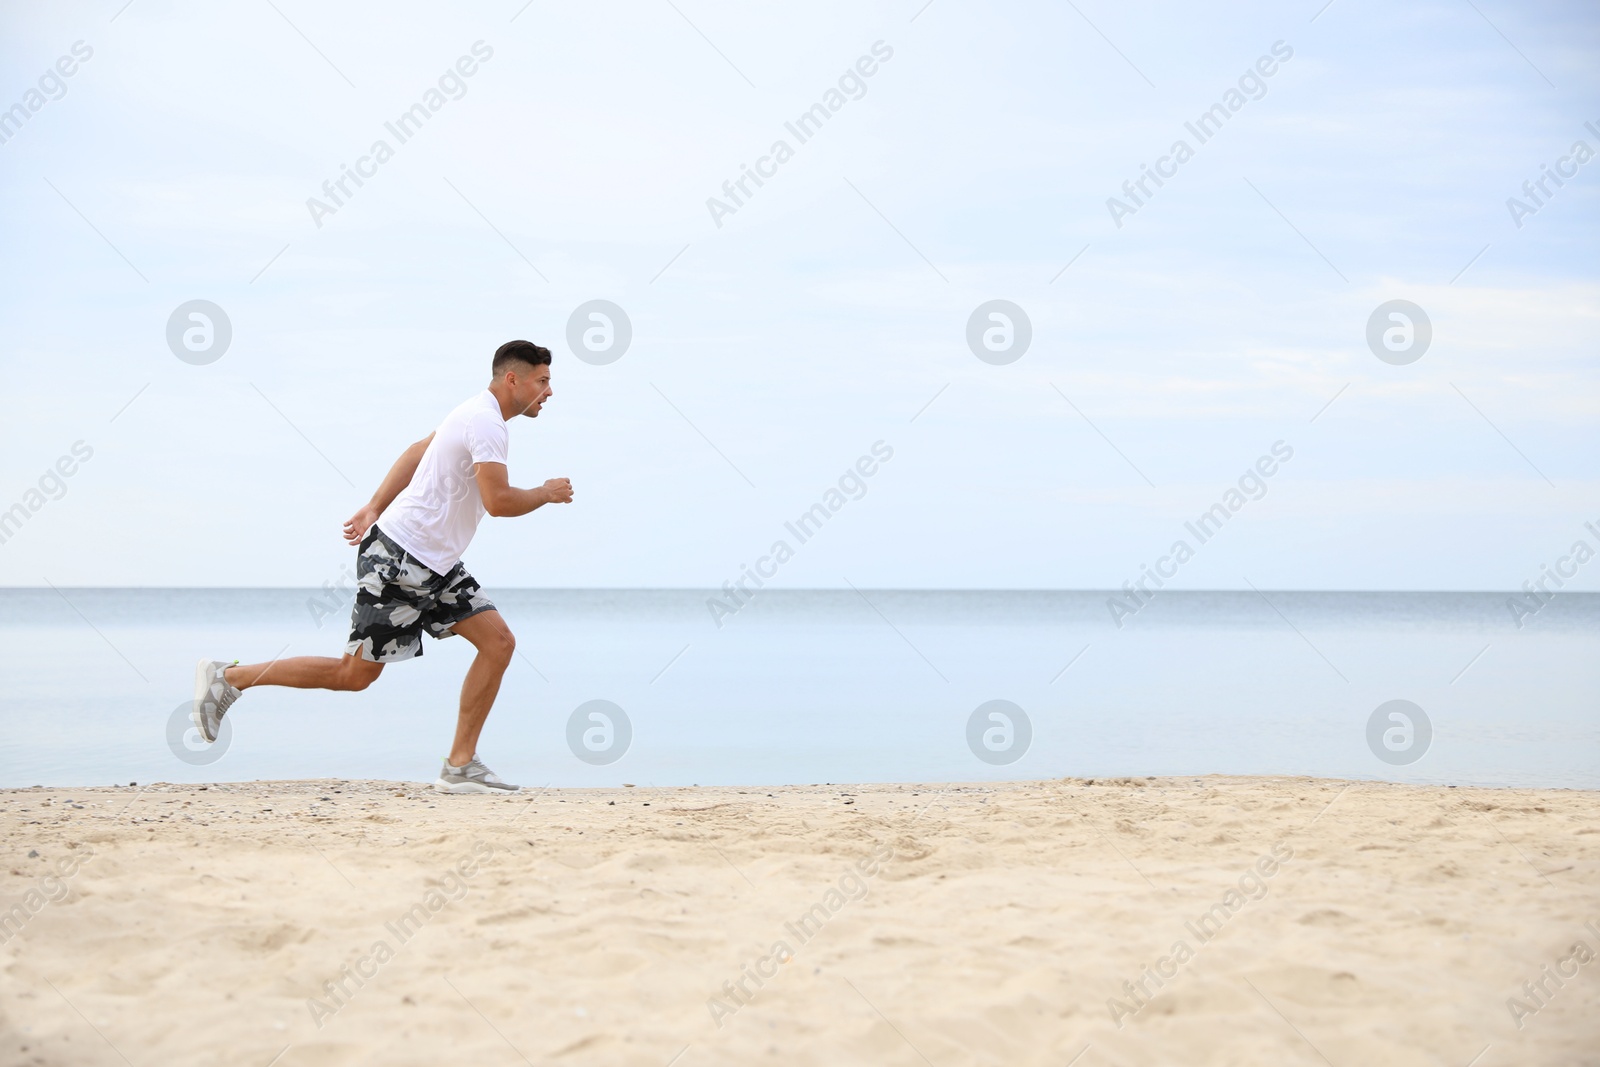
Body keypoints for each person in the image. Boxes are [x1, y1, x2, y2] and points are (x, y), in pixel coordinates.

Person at [191, 340, 572, 793]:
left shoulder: (471, 412)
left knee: (499, 643)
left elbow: (418, 450)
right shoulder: (487, 422)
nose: (549, 392)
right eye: (542, 381)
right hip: (399, 558)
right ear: (514, 379)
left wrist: (374, 505)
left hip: (437, 564)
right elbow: (500, 501)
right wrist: (546, 493)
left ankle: (460, 765)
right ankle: (229, 677)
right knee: (353, 676)